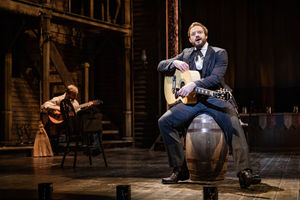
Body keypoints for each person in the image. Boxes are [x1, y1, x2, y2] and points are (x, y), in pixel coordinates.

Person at [157, 22, 261, 188]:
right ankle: (180, 169)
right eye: (193, 34)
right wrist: (173, 63)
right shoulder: (186, 53)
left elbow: (215, 77)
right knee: (164, 122)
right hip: (192, 102)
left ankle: (244, 171)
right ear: (190, 39)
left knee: (234, 123)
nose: (197, 35)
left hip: (215, 99)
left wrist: (194, 84)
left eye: (200, 32)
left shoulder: (220, 53)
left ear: (206, 36)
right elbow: (160, 66)